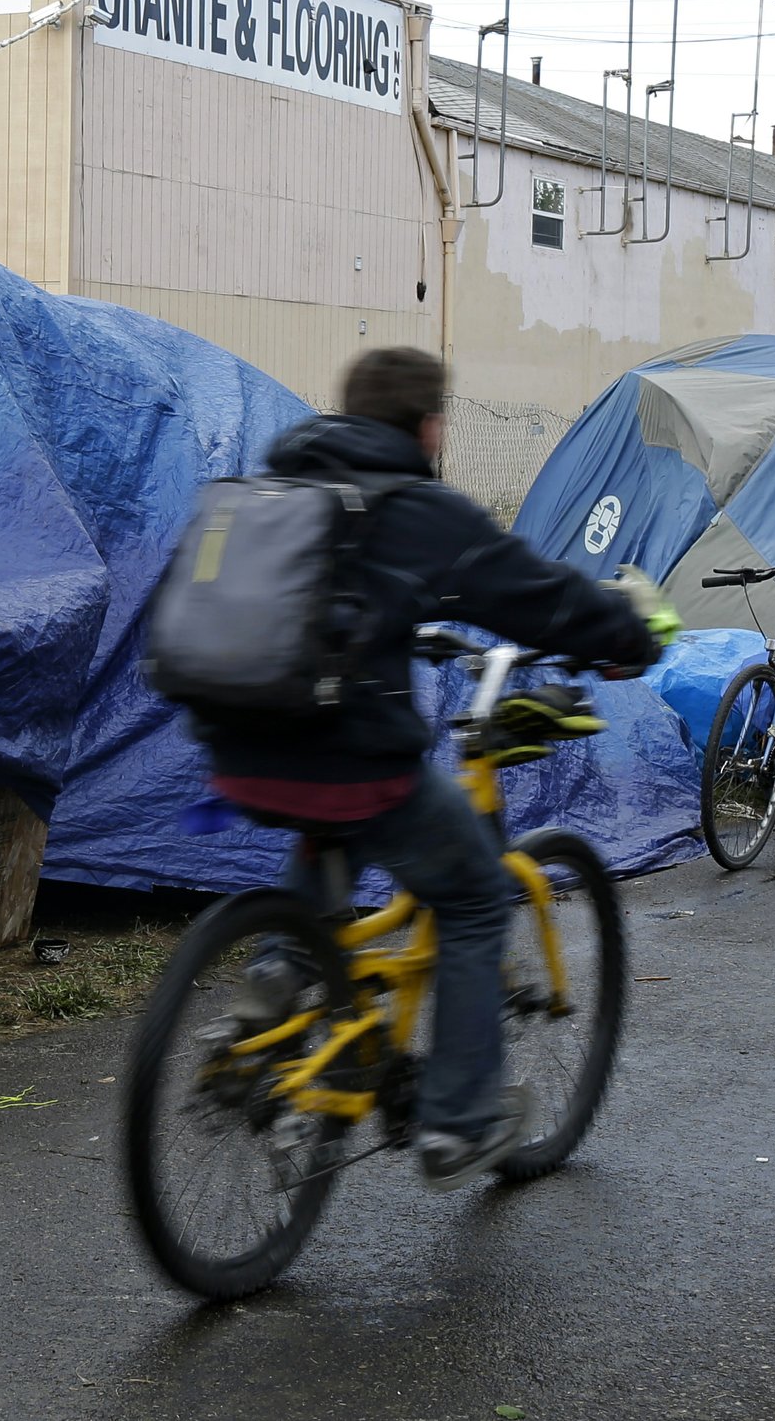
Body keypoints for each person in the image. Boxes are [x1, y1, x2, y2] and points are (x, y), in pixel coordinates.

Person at [187, 347, 665, 1189]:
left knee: (329, 832)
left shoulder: (278, 486)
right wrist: (630, 634)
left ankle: (278, 977)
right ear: (429, 424)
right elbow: (541, 596)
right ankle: (458, 1120)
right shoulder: (416, 509)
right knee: (477, 895)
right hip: (350, 764)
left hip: (237, 749)